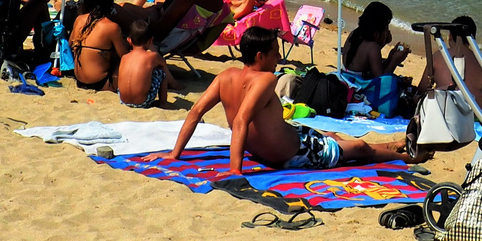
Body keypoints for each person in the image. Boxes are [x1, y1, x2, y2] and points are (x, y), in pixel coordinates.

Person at [168, 27, 405, 174]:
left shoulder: (225, 76)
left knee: (332, 136)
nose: (279, 58)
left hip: (287, 139)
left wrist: (174, 155)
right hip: (296, 153)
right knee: (359, 148)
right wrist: (235, 170)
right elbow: (241, 120)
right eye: (275, 53)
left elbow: (195, 112)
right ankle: (407, 156)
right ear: (260, 56)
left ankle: (395, 144)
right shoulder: (265, 79)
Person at [70, 0, 130, 91]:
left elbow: (70, 44)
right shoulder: (112, 27)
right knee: (127, 57)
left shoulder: (79, 20)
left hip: (79, 80)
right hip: (103, 83)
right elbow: (125, 56)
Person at [117, 18, 179, 107]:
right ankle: (163, 103)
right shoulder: (152, 56)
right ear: (150, 41)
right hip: (142, 102)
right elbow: (163, 63)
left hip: (123, 100)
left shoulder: (124, 57)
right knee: (161, 73)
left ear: (129, 40)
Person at [341, 1, 409, 78]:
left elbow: (372, 65)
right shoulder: (373, 47)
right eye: (386, 26)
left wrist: (390, 58)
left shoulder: (355, 33)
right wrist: (395, 61)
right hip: (357, 85)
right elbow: (381, 79)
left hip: (345, 77)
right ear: (379, 28)